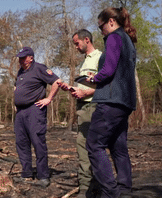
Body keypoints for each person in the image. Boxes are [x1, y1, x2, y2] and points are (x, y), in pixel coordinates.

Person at [86, 7, 137, 198]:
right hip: (125, 102)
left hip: (111, 100)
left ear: (111, 22)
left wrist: (93, 78)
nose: (101, 32)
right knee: (118, 146)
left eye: (101, 27)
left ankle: (111, 192)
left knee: (94, 145)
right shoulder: (129, 41)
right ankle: (124, 188)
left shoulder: (115, 37)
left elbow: (109, 69)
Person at [59, 29, 102, 198]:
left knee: (93, 147)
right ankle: (86, 186)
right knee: (81, 146)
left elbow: (106, 84)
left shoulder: (100, 57)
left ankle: (97, 186)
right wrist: (72, 89)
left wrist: (86, 93)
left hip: (95, 108)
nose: (76, 47)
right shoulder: (85, 61)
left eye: (77, 43)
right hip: (83, 108)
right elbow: (87, 85)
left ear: (87, 40)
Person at [13, 47, 61, 187]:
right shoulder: (20, 72)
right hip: (21, 113)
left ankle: (43, 176)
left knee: (37, 141)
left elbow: (57, 82)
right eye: (19, 58)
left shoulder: (39, 68)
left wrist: (49, 99)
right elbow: (17, 88)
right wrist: (16, 103)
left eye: (23, 58)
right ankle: (26, 173)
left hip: (35, 110)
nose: (20, 60)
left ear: (31, 58)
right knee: (21, 143)